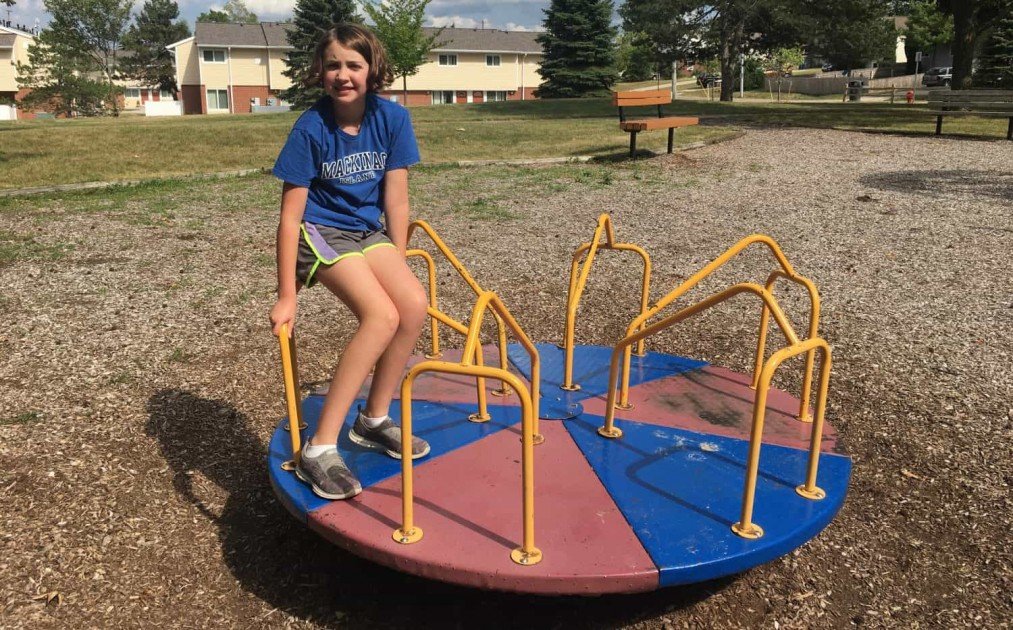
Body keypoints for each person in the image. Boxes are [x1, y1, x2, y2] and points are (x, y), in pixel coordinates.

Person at [270, 23, 431, 500]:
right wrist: (286, 295)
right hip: (319, 232)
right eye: (334, 64)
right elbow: (289, 215)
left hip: (367, 230)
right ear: (320, 70)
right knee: (379, 316)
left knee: (413, 304)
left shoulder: (392, 119)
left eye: (354, 65)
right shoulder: (311, 128)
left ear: (372, 69)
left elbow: (396, 199)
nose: (343, 74)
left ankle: (373, 419)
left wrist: (396, 260)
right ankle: (319, 448)